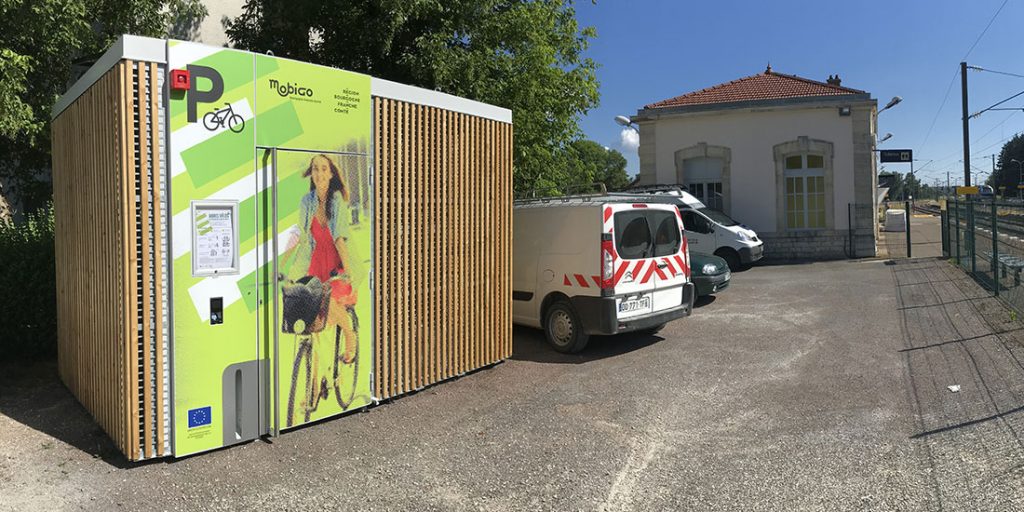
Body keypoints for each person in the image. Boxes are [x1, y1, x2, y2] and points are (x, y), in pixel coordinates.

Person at [287, 154, 359, 372]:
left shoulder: (336, 200)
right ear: (312, 173)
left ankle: (349, 333)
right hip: (317, 262)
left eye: (323, 169)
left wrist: (348, 271)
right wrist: (285, 267)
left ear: (331, 173)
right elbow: (301, 236)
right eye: (315, 168)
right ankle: (314, 387)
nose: (319, 173)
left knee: (329, 303)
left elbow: (339, 238)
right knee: (311, 324)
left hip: (338, 262)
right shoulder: (307, 202)